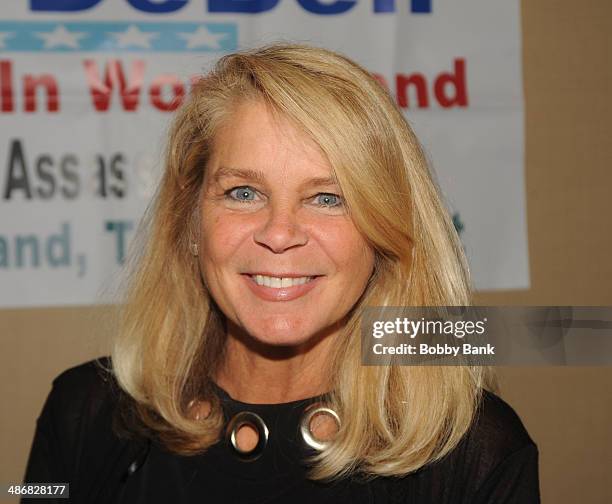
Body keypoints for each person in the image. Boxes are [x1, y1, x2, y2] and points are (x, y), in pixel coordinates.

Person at [22, 43, 540, 503]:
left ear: (384, 232)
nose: (279, 233)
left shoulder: (477, 451)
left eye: (327, 198)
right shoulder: (83, 411)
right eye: (243, 193)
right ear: (191, 221)